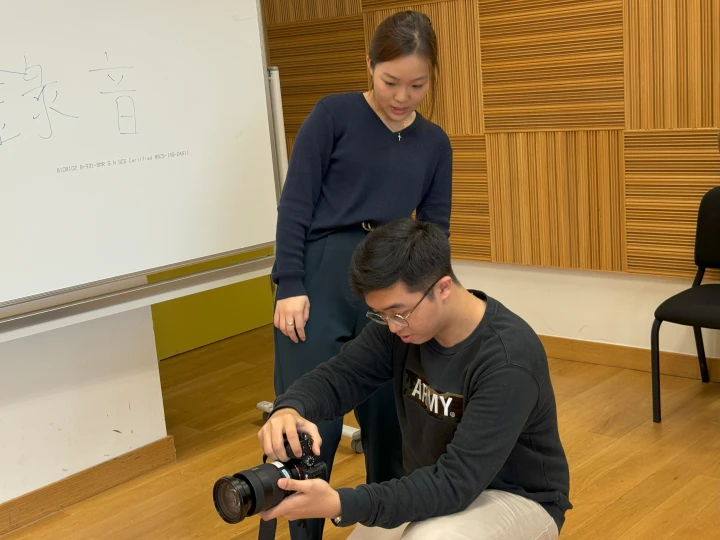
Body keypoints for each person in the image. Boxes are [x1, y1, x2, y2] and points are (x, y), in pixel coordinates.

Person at [260, 218, 572, 540]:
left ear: (443, 288)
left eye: (398, 312)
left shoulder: (507, 360)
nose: (392, 326)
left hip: (518, 498)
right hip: (437, 483)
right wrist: (289, 408)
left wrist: (339, 502)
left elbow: (454, 484)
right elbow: (340, 376)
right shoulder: (400, 327)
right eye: (381, 315)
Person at [270, 10, 453, 539]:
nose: (402, 96)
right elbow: (296, 203)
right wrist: (290, 283)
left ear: (431, 79)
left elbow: (435, 231)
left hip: (393, 277)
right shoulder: (334, 115)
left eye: (417, 85)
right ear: (369, 65)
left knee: (389, 419)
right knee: (309, 424)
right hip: (321, 272)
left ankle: (382, 530)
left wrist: (434, 303)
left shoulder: (435, 143)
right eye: (390, 81)